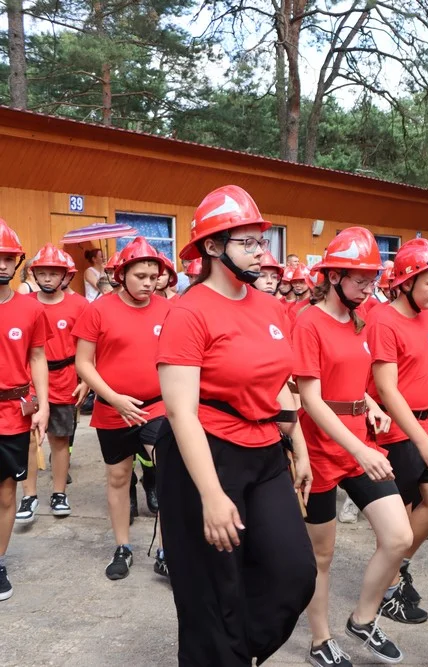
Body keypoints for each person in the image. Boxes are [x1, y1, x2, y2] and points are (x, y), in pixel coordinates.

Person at [156, 185, 315, 665]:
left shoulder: (272, 307)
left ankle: (231, 655)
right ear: (211, 247)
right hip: (204, 454)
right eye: (247, 242)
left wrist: (299, 446)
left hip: (265, 448)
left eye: (260, 242)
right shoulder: (189, 311)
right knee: (213, 590)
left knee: (293, 573)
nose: (260, 252)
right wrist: (210, 495)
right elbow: (181, 411)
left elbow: (282, 383)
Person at [293, 227, 419, 665]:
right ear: (333, 276)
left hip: (358, 442)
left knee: (399, 536)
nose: (369, 286)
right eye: (359, 278)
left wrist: (369, 405)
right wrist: (360, 448)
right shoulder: (309, 322)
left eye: (372, 278)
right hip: (322, 451)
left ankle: (363, 619)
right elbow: (310, 396)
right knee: (322, 555)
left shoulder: (361, 321)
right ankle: (320, 639)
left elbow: (347, 377)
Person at [73, 237, 172, 579]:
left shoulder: (169, 309)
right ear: (121, 275)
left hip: (158, 407)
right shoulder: (98, 309)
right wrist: (113, 398)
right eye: (140, 275)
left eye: (153, 275)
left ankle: (167, 551)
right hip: (112, 409)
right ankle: (123, 547)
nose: (148, 282)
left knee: (171, 472)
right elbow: (84, 364)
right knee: (118, 477)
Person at [365, 238, 428, 621]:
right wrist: (420, 439)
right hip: (399, 430)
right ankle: (391, 583)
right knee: (410, 507)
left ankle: (397, 569)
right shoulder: (384, 320)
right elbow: (386, 388)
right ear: (406, 282)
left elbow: (427, 371)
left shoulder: (426, 316)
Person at [15, 245, 87, 523]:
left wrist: (85, 382)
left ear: (65, 277)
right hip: (29, 382)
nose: (47, 279)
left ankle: (59, 492)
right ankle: (29, 494)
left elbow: (87, 347)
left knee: (60, 439)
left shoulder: (80, 305)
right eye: (42, 273)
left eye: (53, 274)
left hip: (66, 379)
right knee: (31, 440)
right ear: (34, 275)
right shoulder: (26, 304)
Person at [0, 219, 49, 602]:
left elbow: (37, 357)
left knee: (6, 495)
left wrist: (43, 405)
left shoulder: (30, 310)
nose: (2, 264)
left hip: (12, 413)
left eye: (8, 257)